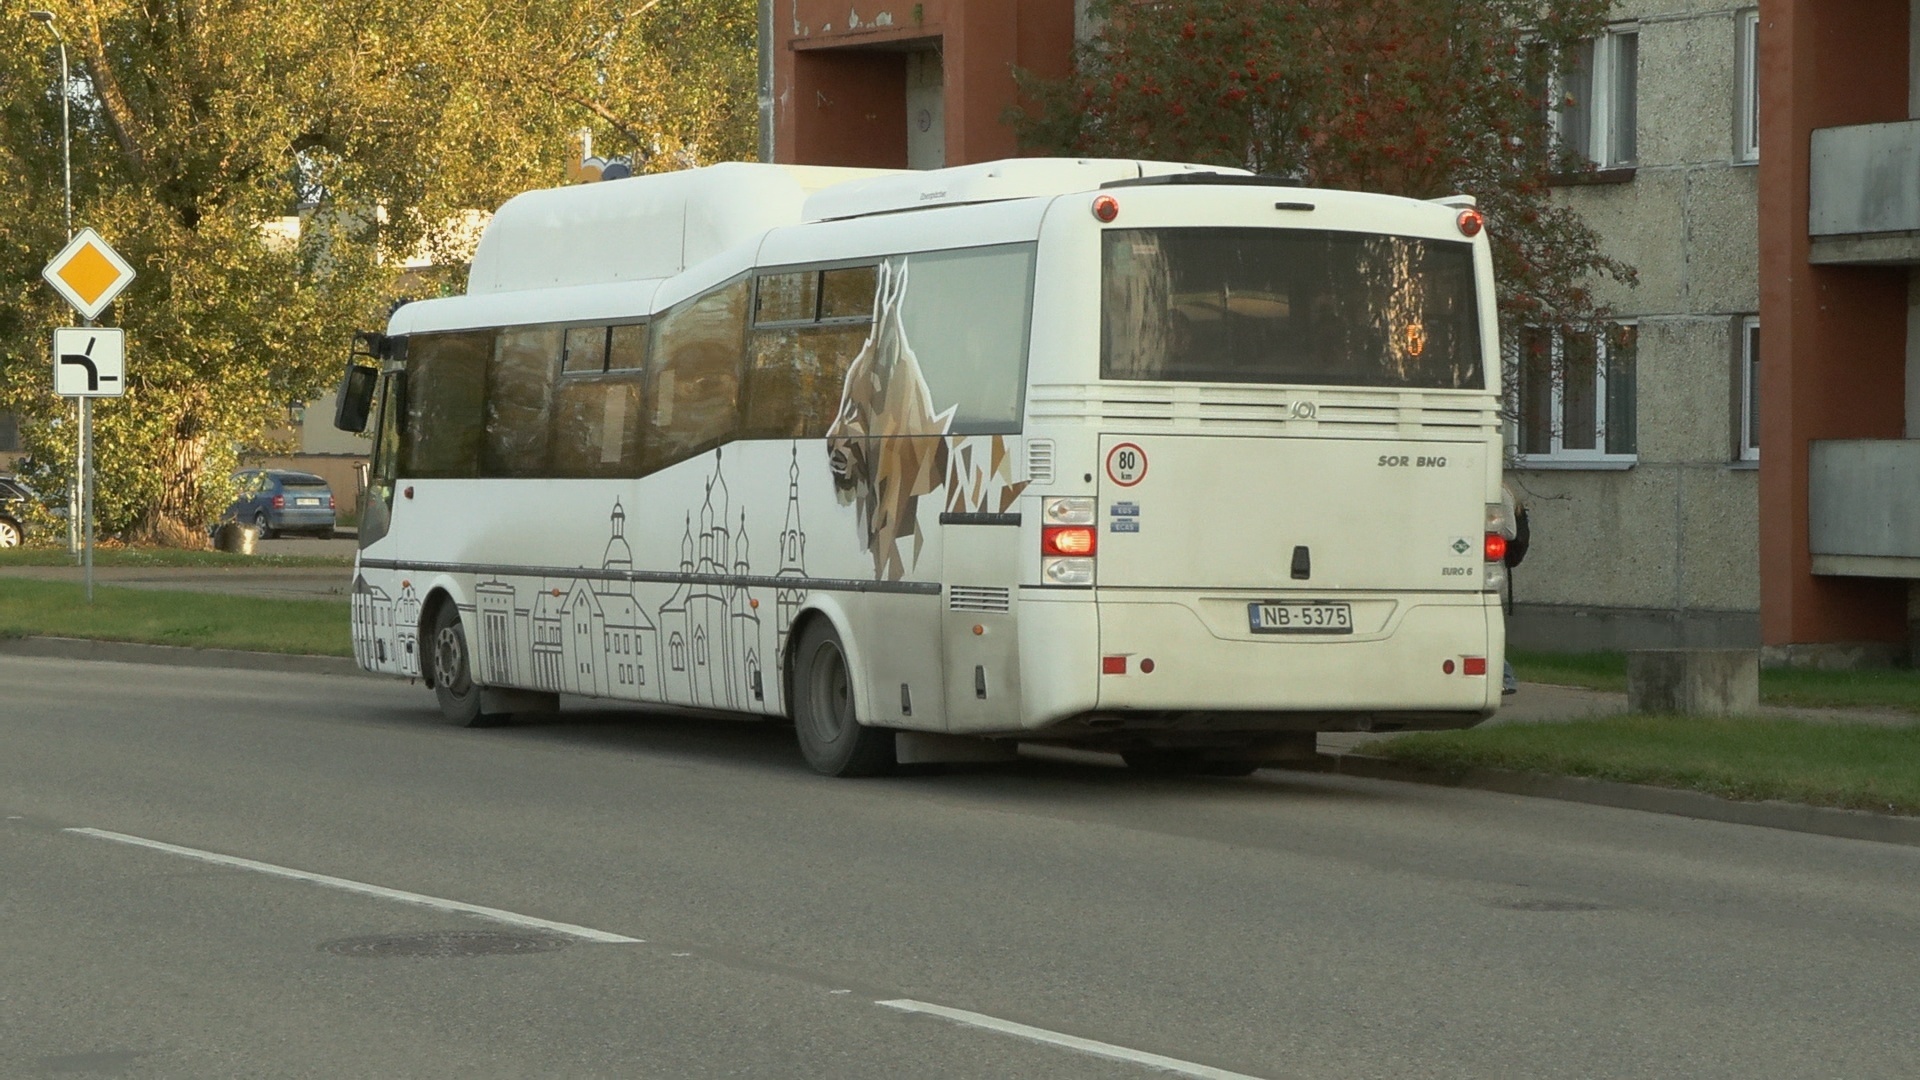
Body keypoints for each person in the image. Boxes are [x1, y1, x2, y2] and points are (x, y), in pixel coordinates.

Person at [1499, 480, 1530, 695]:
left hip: (1491, 569)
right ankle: (1505, 676)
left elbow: (1509, 532)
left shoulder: (1500, 493)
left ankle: (1506, 676)